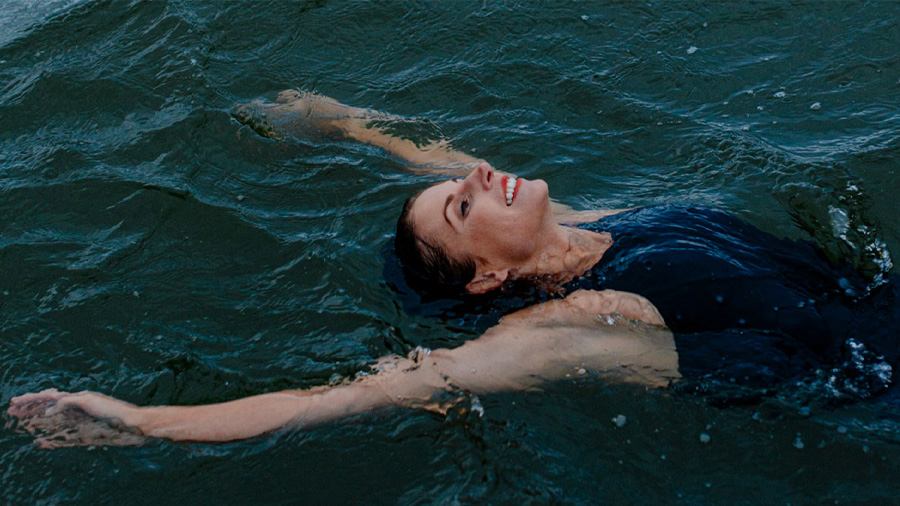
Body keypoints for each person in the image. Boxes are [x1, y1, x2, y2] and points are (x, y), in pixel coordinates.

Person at [7, 92, 896, 448]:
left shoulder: (586, 229)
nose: (477, 178)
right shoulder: (562, 324)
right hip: (874, 387)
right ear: (483, 281)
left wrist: (351, 126)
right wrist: (139, 418)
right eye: (464, 207)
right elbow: (344, 398)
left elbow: (443, 159)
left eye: (462, 187)